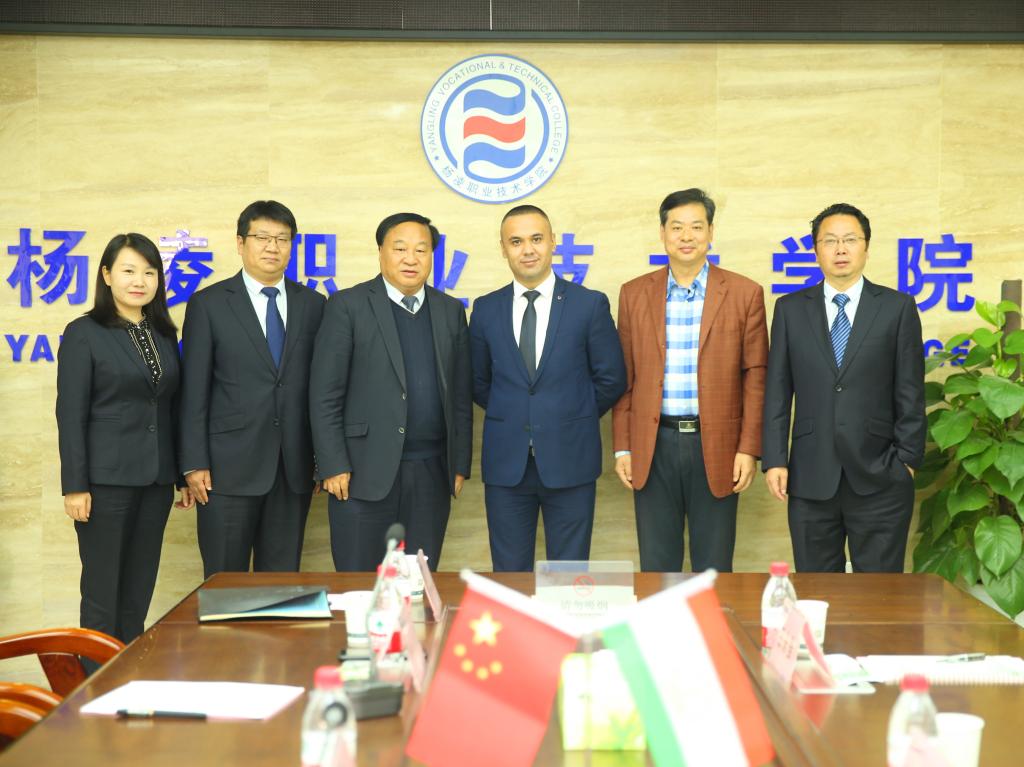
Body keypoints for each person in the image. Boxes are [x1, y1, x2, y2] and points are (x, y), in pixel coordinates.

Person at [762, 202, 926, 572]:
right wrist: (774, 459)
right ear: (815, 249)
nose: (840, 249)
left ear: (866, 247)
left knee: (880, 593)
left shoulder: (896, 307)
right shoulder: (790, 309)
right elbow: (777, 391)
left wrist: (906, 461)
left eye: (850, 240)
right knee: (816, 588)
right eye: (830, 241)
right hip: (810, 476)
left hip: (881, 474)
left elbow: (910, 390)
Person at [612, 189, 768, 572]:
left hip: (717, 445)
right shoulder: (634, 294)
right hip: (653, 444)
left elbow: (756, 377)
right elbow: (624, 378)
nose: (686, 236)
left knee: (713, 567)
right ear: (662, 233)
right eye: (677, 227)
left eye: (696, 227)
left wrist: (748, 448)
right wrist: (623, 447)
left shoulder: (744, 293)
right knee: (657, 566)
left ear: (711, 232)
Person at [310, 213, 472, 571]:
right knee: (359, 581)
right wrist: (332, 464)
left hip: (431, 472)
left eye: (421, 250)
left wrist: (459, 463)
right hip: (360, 472)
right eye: (400, 249)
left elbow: (460, 395)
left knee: (417, 581)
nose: (411, 259)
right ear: (381, 251)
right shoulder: (348, 306)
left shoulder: (449, 311)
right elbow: (324, 394)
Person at [470, 205, 626, 572]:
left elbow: (611, 378)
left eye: (537, 239)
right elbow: (477, 381)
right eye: (516, 242)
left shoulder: (588, 305)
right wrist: (518, 413)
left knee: (568, 576)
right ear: (503, 248)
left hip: (571, 458)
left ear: (553, 242)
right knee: (509, 575)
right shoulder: (486, 309)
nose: (527, 249)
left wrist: (569, 415)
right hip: (507, 464)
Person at [56, 233, 192, 644]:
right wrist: (75, 485)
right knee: (102, 595)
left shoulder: (163, 333)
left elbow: (171, 409)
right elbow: (70, 414)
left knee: (137, 594)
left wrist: (181, 475)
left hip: (155, 481)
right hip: (105, 483)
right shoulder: (84, 332)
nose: (139, 281)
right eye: (129, 271)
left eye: (149, 272)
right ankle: (93, 679)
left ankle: (127, 673)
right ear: (107, 275)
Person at [179, 200, 325, 577]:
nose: (272, 247)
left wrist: (321, 459)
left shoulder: (314, 305)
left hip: (292, 468)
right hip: (225, 471)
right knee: (224, 582)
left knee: (280, 581)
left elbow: (322, 389)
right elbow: (193, 391)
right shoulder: (209, 304)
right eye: (262, 237)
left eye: (282, 239)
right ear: (240, 243)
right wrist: (193, 463)